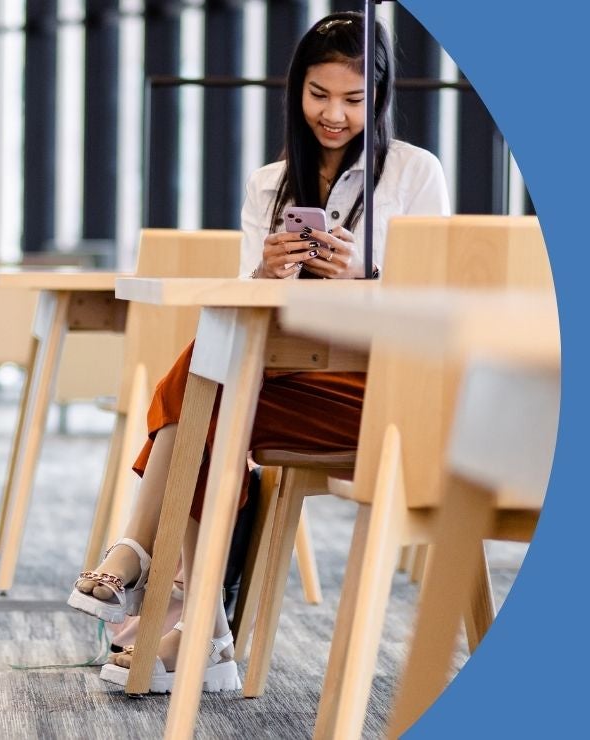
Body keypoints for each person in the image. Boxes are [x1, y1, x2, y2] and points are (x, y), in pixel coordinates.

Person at [65, 11, 451, 694]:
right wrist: (266, 275)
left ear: (382, 96)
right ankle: (201, 630)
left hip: (384, 397)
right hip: (289, 382)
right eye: (319, 94)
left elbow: (436, 309)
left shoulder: (416, 175)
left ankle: (159, 580)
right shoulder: (270, 184)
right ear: (295, 91)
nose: (333, 114)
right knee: (206, 385)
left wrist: (361, 283)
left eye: (354, 99)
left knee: (197, 383)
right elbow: (242, 308)